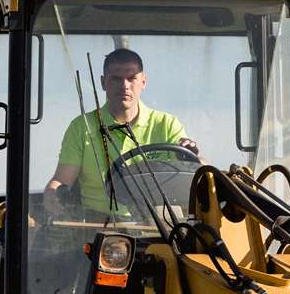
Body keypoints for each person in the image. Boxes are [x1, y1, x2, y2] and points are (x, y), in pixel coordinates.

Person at [43, 49, 198, 218]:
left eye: (132, 78)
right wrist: (52, 195)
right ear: (103, 83)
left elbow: (200, 171)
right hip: (96, 229)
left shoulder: (167, 124)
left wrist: (194, 157)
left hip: (157, 228)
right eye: (116, 78)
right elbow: (61, 181)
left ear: (143, 81)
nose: (124, 85)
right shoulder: (81, 127)